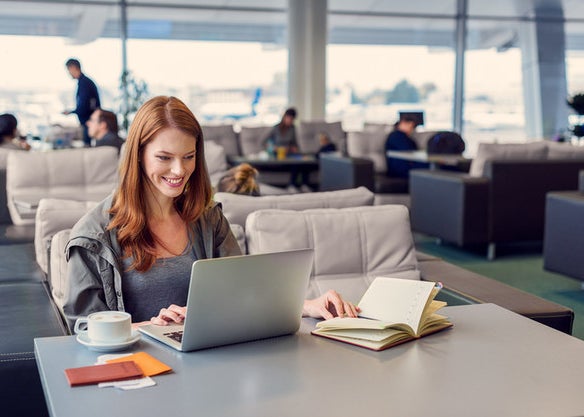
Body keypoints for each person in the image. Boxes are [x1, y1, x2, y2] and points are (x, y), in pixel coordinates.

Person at [63, 96, 358, 331]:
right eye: (164, 158)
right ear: (137, 155)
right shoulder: (93, 236)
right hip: (139, 373)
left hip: (208, 367)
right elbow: (84, 329)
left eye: (188, 157)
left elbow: (243, 292)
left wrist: (307, 305)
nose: (179, 171)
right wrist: (152, 328)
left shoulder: (207, 218)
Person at [62, 58, 101, 147]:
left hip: (89, 122)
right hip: (89, 122)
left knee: (88, 146)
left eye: (68, 70)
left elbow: (84, 106)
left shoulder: (85, 83)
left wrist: (71, 112)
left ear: (73, 68)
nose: (69, 73)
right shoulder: (84, 82)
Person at [384, 114, 429, 178]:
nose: (410, 128)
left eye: (412, 126)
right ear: (402, 123)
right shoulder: (396, 136)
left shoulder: (405, 137)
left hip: (406, 166)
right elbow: (408, 151)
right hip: (400, 168)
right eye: (409, 125)